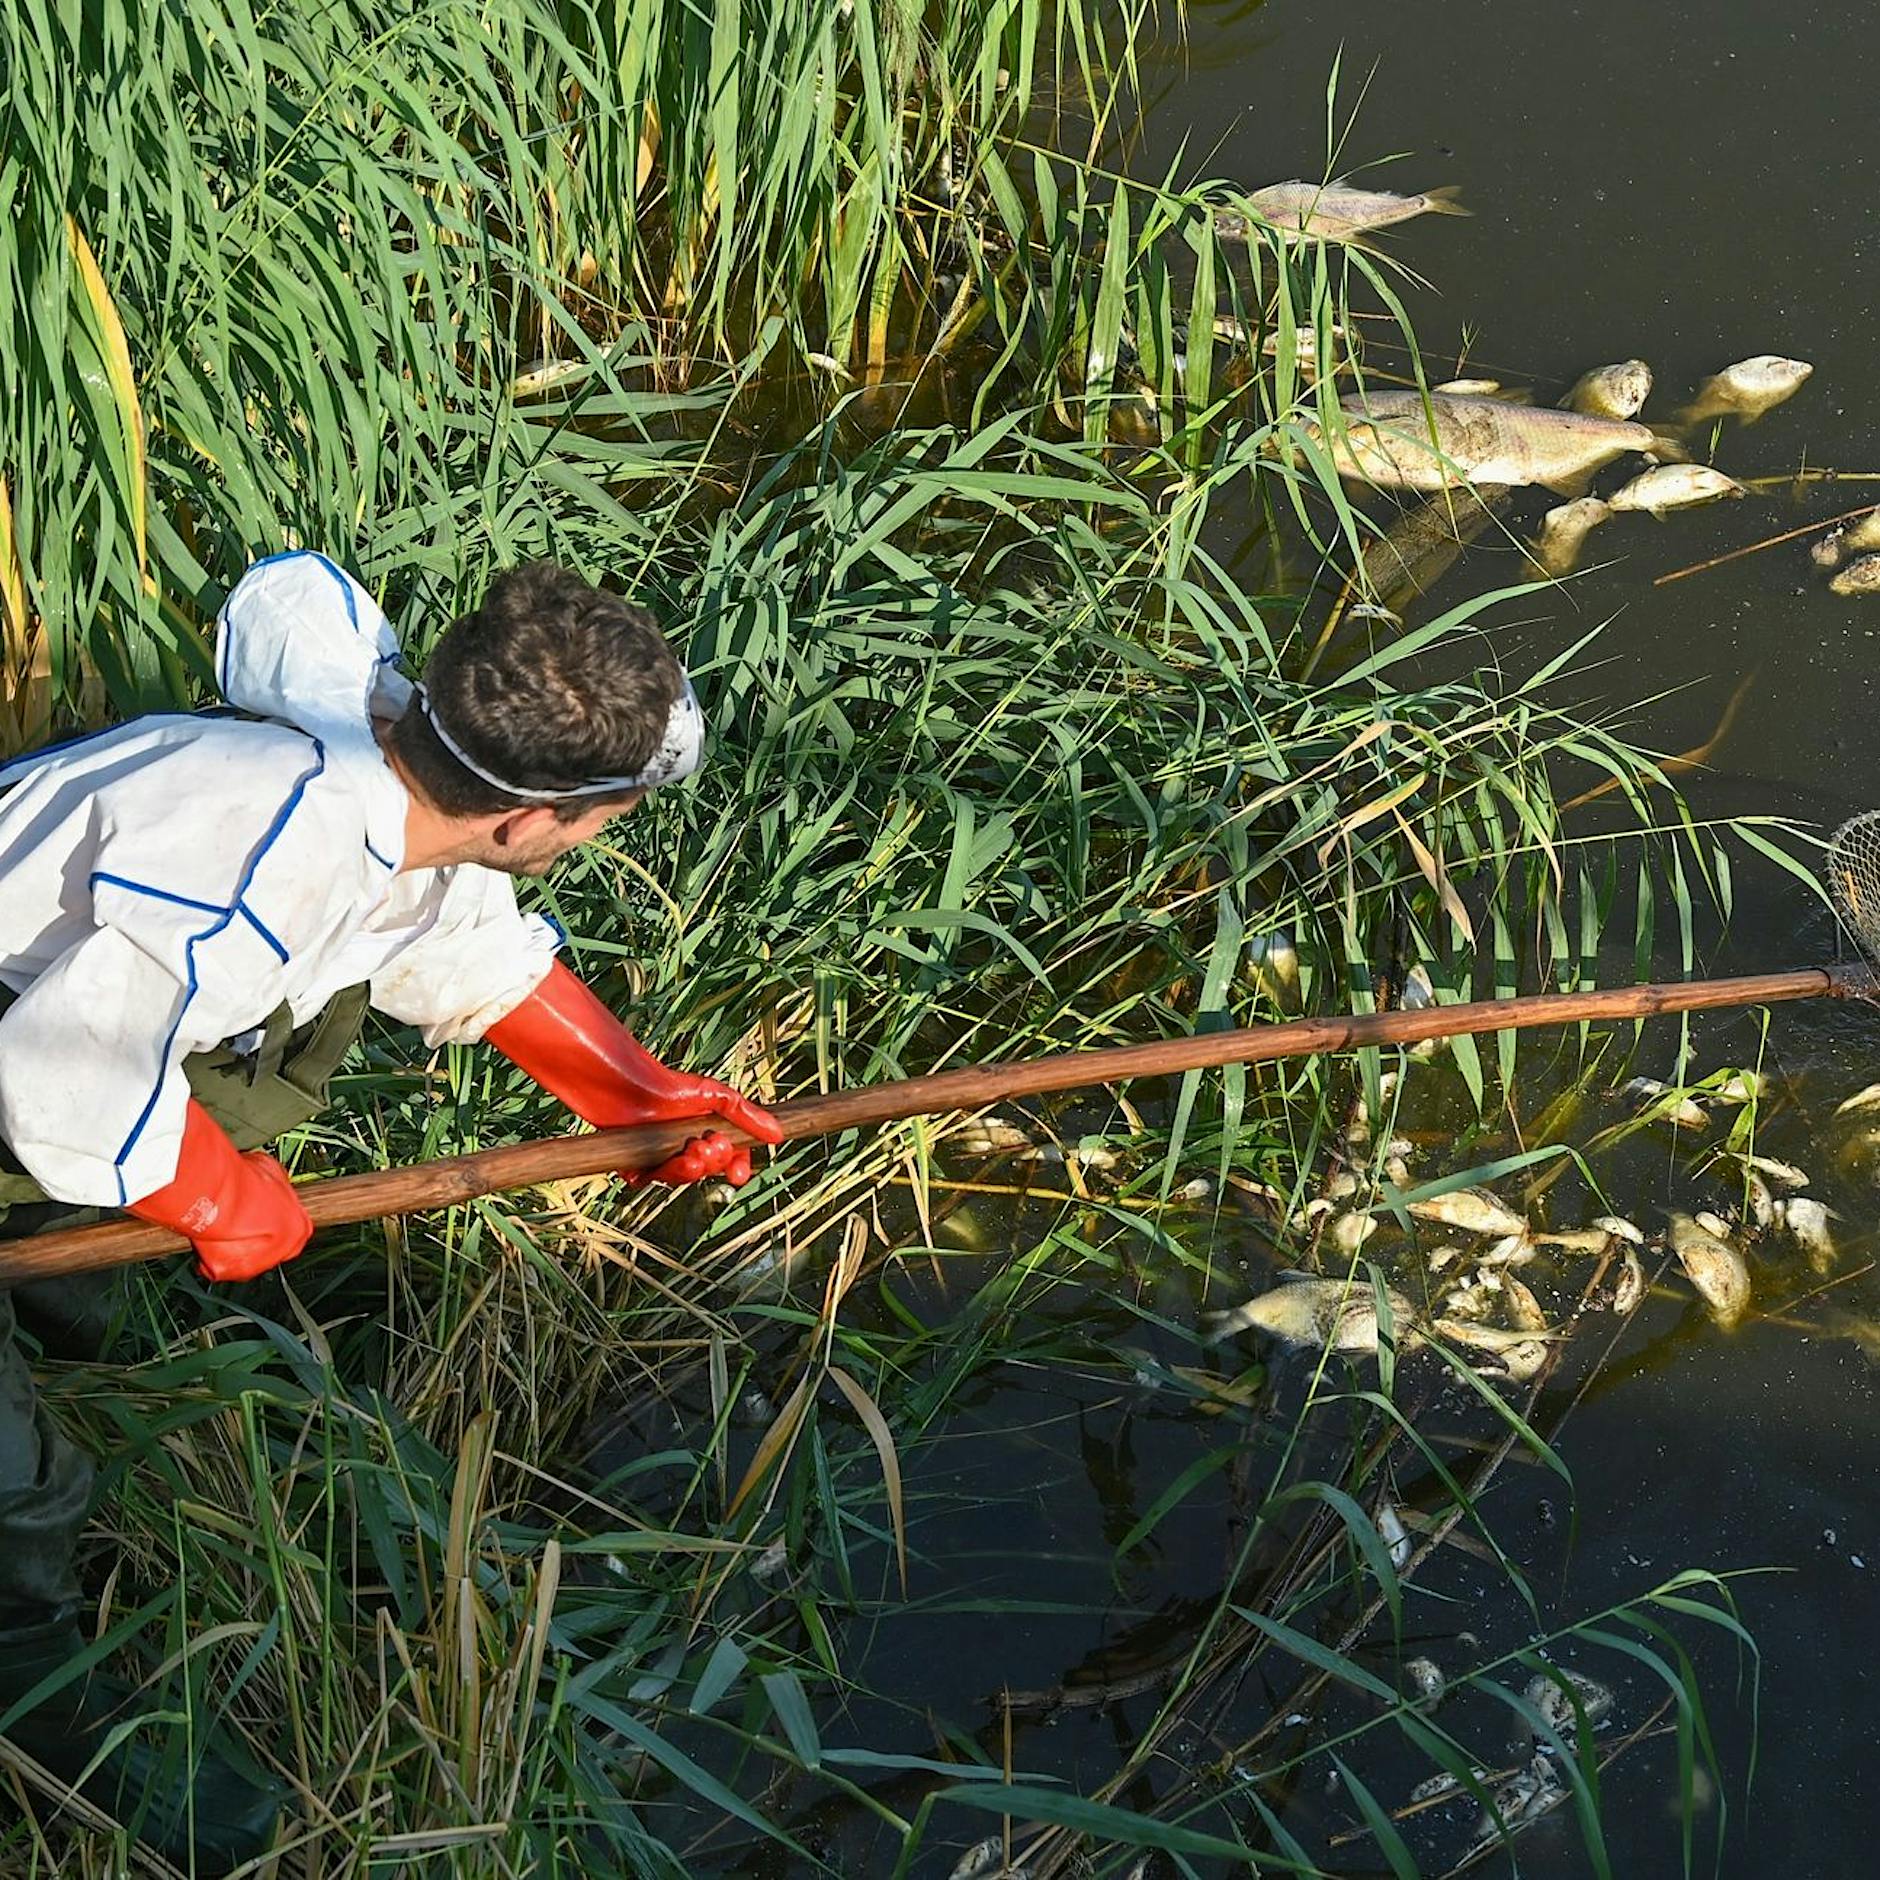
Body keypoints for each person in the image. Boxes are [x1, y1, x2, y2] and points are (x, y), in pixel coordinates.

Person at [0, 552, 781, 1869]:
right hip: (33, 1069)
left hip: (37, 1074)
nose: (594, 837)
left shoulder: (400, 766)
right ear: (531, 819)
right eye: (600, 818)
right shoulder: (266, 836)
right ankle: (31, 1679)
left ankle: (55, 1323)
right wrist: (218, 1193)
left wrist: (638, 1097)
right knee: (18, 1486)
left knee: (65, 1286)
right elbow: (62, 1077)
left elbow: (448, 939)